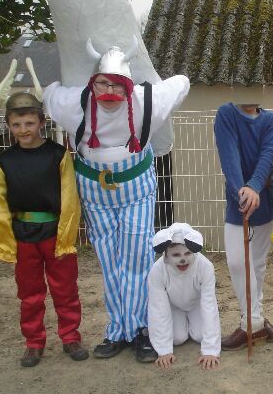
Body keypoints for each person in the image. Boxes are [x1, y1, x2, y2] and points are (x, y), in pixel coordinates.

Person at [43, 40, 190, 362]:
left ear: (129, 86)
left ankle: (140, 330)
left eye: (117, 84)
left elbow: (182, 82)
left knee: (137, 262)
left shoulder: (145, 100)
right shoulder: (73, 104)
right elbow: (50, 93)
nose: (109, 91)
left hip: (136, 189)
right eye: (102, 83)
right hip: (94, 192)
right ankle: (116, 330)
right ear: (92, 83)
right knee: (110, 264)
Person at [0, 92, 88, 367]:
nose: (24, 130)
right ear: (9, 126)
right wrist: (5, 242)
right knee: (29, 294)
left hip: (56, 234)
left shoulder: (57, 154)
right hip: (23, 236)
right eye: (17, 125)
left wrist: (66, 236)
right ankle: (34, 343)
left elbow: (69, 196)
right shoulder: (4, 161)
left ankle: (70, 337)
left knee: (65, 290)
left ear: (41, 122)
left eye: (29, 123)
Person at [214, 90, 273, 350]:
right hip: (238, 201)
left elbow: (267, 156)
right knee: (236, 262)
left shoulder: (270, 119)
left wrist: (254, 187)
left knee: (257, 266)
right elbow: (229, 156)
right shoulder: (227, 113)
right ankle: (254, 323)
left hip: (264, 201)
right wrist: (241, 191)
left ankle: (252, 324)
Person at [148, 223, 221, 370]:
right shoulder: (157, 271)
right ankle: (182, 325)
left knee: (200, 336)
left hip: (196, 305)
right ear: (166, 256)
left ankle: (192, 324)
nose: (183, 260)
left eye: (187, 253)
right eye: (176, 255)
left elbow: (209, 305)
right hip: (173, 306)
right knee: (177, 338)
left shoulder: (205, 267)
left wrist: (210, 350)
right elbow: (158, 308)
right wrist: (164, 350)